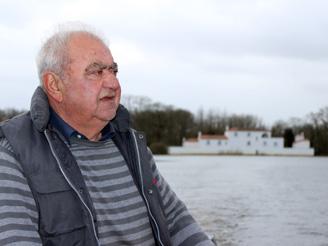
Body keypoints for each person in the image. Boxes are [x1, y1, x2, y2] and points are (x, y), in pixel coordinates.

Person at [0, 24, 215, 246]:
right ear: (54, 85)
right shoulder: (12, 154)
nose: (113, 83)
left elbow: (177, 222)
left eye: (113, 70)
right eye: (96, 72)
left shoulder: (132, 145)